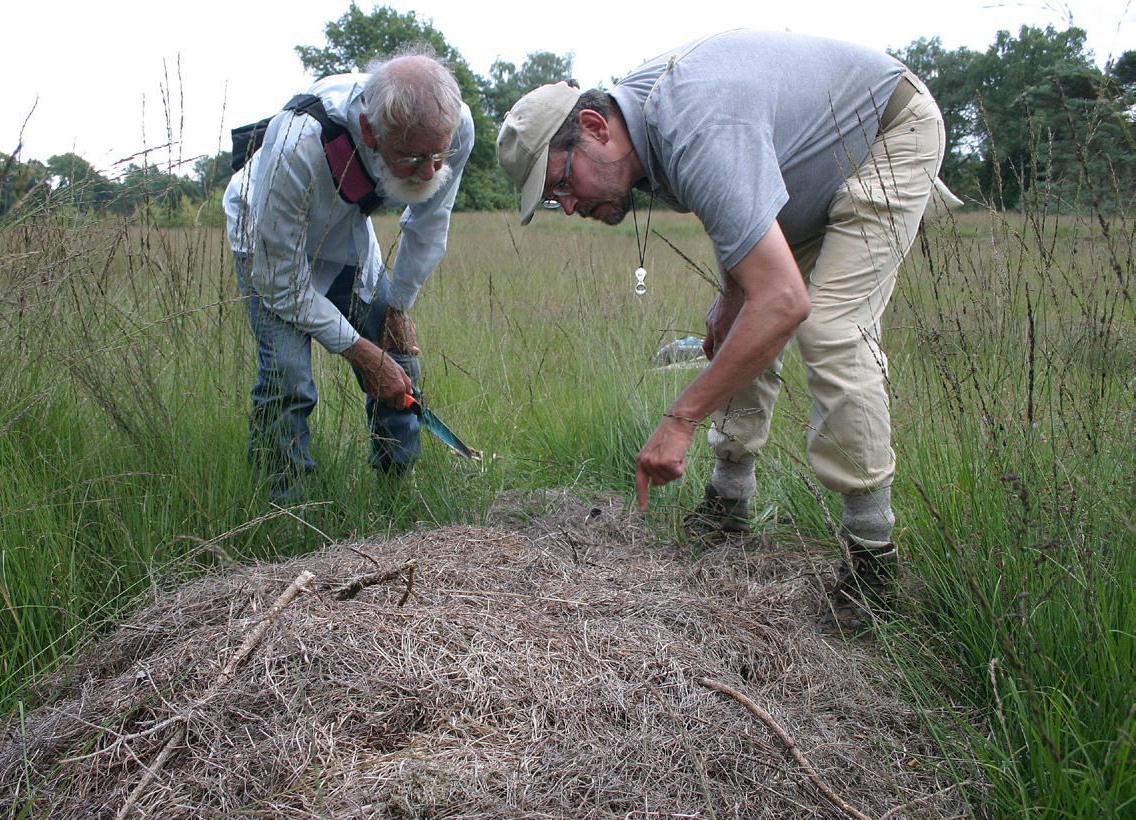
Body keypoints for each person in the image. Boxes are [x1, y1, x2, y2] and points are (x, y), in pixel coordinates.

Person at [496, 30, 957, 634]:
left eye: (562, 184)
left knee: (831, 330)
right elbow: (738, 195)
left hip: (883, 135)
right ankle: (728, 505)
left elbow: (784, 301)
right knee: (741, 321)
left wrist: (680, 419)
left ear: (595, 127)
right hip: (804, 176)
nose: (571, 207)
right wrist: (729, 294)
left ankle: (872, 561)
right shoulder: (646, 132)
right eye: (556, 200)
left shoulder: (691, 122)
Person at [225, 47, 474, 504]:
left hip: (345, 239)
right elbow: (283, 282)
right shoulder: (298, 142)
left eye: (438, 153)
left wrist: (397, 303)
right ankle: (284, 513)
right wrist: (359, 351)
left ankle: (395, 497)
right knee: (288, 377)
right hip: (271, 242)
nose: (429, 170)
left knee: (401, 360)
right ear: (369, 131)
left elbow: (428, 223)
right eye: (412, 156)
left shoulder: (454, 126)